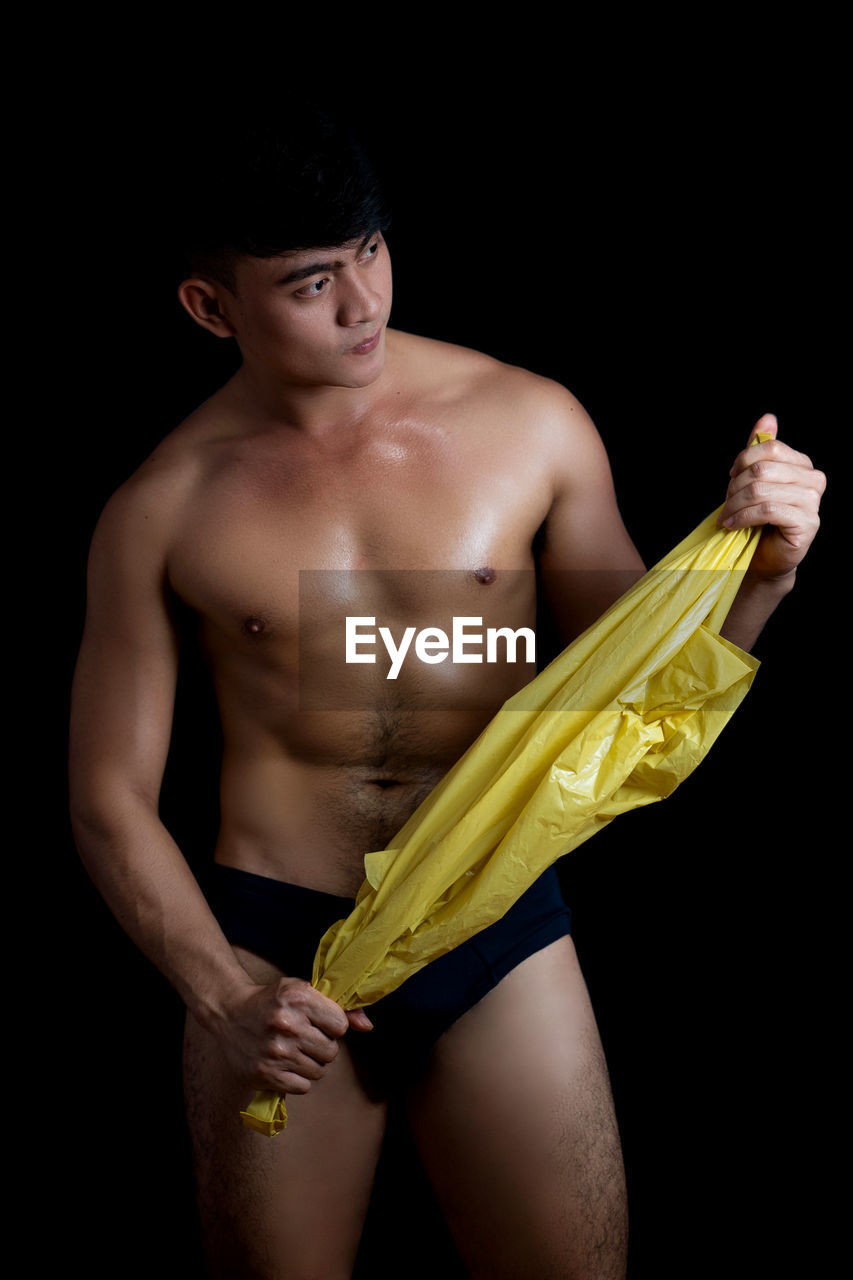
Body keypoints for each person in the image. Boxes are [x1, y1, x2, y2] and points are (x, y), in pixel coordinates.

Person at [69, 109, 825, 1279]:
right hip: (281, 954)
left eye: (369, 250)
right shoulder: (162, 506)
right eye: (311, 281)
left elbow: (641, 673)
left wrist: (762, 572)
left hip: (497, 924)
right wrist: (221, 994)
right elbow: (108, 793)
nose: (362, 302)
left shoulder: (526, 420)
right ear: (211, 308)